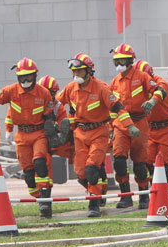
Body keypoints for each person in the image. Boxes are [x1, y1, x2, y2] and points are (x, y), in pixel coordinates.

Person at [57, 53, 135, 217]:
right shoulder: (71, 88)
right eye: (74, 72)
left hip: (99, 133)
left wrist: (130, 125)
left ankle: (94, 205)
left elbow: (118, 107)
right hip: (79, 134)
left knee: (92, 167)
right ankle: (100, 190)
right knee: (81, 173)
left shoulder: (101, 88)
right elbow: (56, 105)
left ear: (89, 71)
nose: (76, 74)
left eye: (79, 71)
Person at [0, 59, 56, 219]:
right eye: (22, 78)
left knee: (40, 163)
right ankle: (38, 194)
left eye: (29, 77)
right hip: (21, 135)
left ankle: (46, 200)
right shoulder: (11, 91)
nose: (26, 81)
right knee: (29, 174)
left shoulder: (43, 93)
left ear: (34, 76)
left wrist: (52, 134)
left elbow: (50, 115)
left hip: (39, 133)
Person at [109, 43, 164, 210]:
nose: (119, 64)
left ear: (130, 60)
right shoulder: (114, 82)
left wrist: (153, 100)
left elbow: (160, 90)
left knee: (140, 163)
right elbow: (112, 108)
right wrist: (112, 128)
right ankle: (125, 195)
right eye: (116, 60)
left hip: (139, 122)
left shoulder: (142, 77)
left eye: (122, 60)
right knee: (119, 160)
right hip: (121, 124)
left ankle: (143, 195)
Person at [134, 59, 168, 199]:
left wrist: (152, 101)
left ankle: (167, 197)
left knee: (164, 165)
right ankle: (146, 196)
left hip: (166, 128)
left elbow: (160, 93)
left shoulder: (161, 83)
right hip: (150, 129)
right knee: (145, 163)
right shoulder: (137, 86)